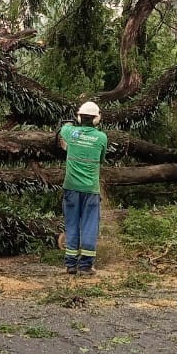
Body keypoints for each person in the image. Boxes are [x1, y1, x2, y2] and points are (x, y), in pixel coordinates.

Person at [57, 101, 109, 275]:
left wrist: (70, 124)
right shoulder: (101, 138)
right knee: (89, 226)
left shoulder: (71, 132)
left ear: (79, 117)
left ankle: (70, 265)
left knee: (72, 224)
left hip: (71, 188)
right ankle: (86, 266)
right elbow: (101, 160)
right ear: (96, 119)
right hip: (91, 190)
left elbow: (62, 130)